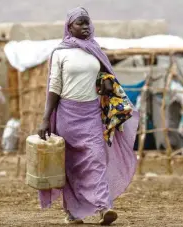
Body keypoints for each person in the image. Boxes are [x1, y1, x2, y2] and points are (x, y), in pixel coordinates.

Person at [37, 7, 139, 225]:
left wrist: (107, 81)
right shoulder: (60, 53)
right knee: (72, 165)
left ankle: (104, 208)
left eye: (87, 23)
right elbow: (54, 86)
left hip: (91, 114)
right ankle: (72, 213)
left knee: (96, 158)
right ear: (69, 27)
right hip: (67, 114)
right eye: (79, 23)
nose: (85, 27)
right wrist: (46, 118)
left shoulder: (94, 49)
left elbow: (106, 74)